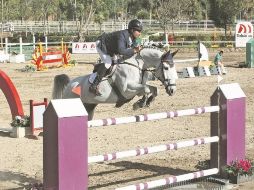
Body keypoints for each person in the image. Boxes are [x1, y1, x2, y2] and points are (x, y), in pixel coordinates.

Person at [89, 19, 143, 96]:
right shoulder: (122, 35)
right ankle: (93, 85)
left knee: (116, 62)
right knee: (108, 63)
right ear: (132, 30)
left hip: (111, 49)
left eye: (140, 31)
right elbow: (121, 51)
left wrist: (136, 50)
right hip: (101, 44)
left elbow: (131, 52)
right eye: (138, 31)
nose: (140, 33)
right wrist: (134, 50)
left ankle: (98, 67)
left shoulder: (133, 38)